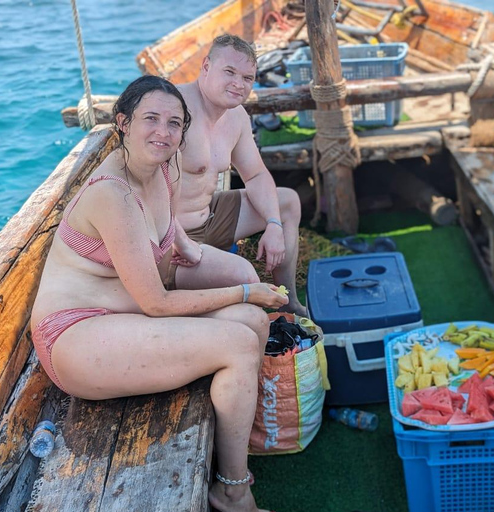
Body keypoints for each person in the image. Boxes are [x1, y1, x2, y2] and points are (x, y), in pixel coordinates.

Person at [30, 75, 286, 512]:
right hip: (77, 337)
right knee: (241, 337)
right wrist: (245, 290)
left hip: (129, 319)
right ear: (123, 123)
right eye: (151, 119)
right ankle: (233, 490)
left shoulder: (166, 166)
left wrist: (187, 247)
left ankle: (237, 431)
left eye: (174, 123)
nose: (164, 133)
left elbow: (170, 230)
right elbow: (157, 304)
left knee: (254, 322)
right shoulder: (112, 195)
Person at [174, 34, 307, 316]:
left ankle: (290, 303)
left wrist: (273, 225)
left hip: (207, 216)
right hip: (172, 244)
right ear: (206, 66)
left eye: (247, 78)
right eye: (229, 72)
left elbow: (256, 175)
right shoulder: (173, 108)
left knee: (287, 203)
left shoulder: (236, 117)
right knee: (245, 277)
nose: (239, 83)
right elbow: (140, 188)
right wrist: (176, 240)